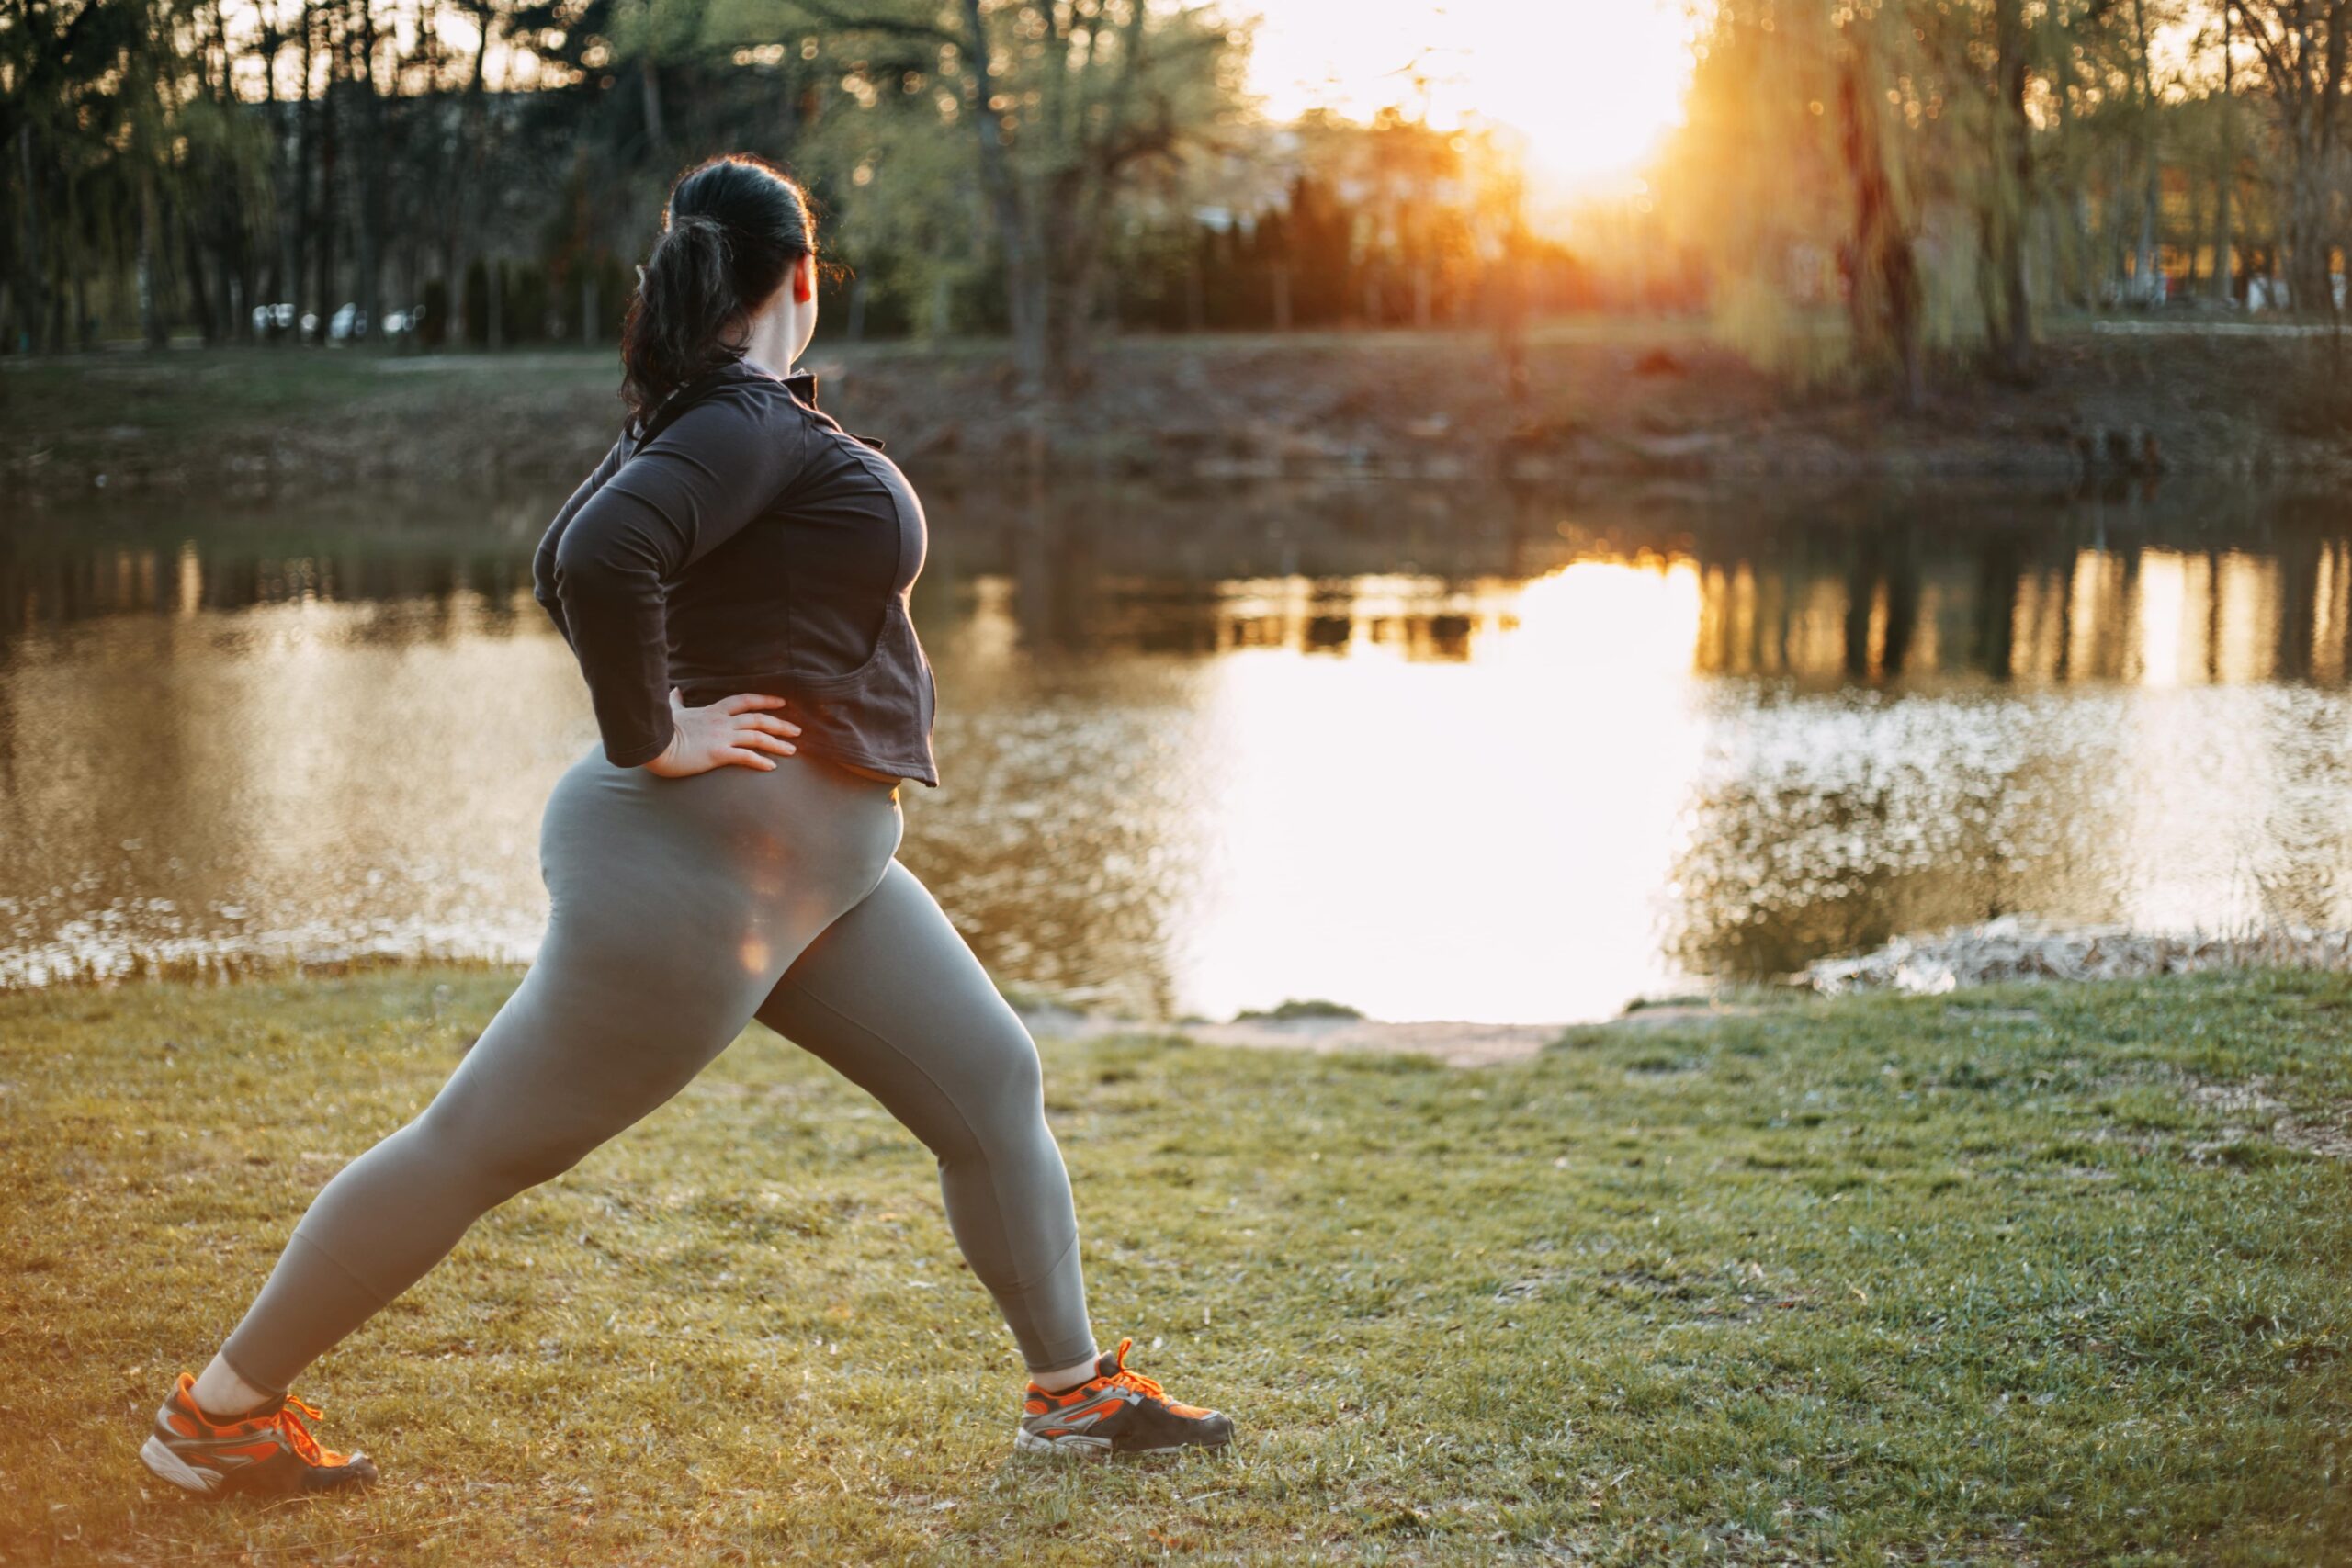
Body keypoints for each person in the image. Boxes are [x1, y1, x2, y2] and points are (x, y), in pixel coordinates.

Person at [137, 152, 1233, 1500]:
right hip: (697, 875)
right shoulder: (742, 417)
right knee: (477, 1144)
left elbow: (567, 555)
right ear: (802, 279)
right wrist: (658, 734)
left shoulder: (702, 418)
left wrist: (671, 714)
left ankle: (1072, 1397)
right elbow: (597, 562)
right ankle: (221, 1413)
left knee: (992, 1085)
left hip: (806, 877)